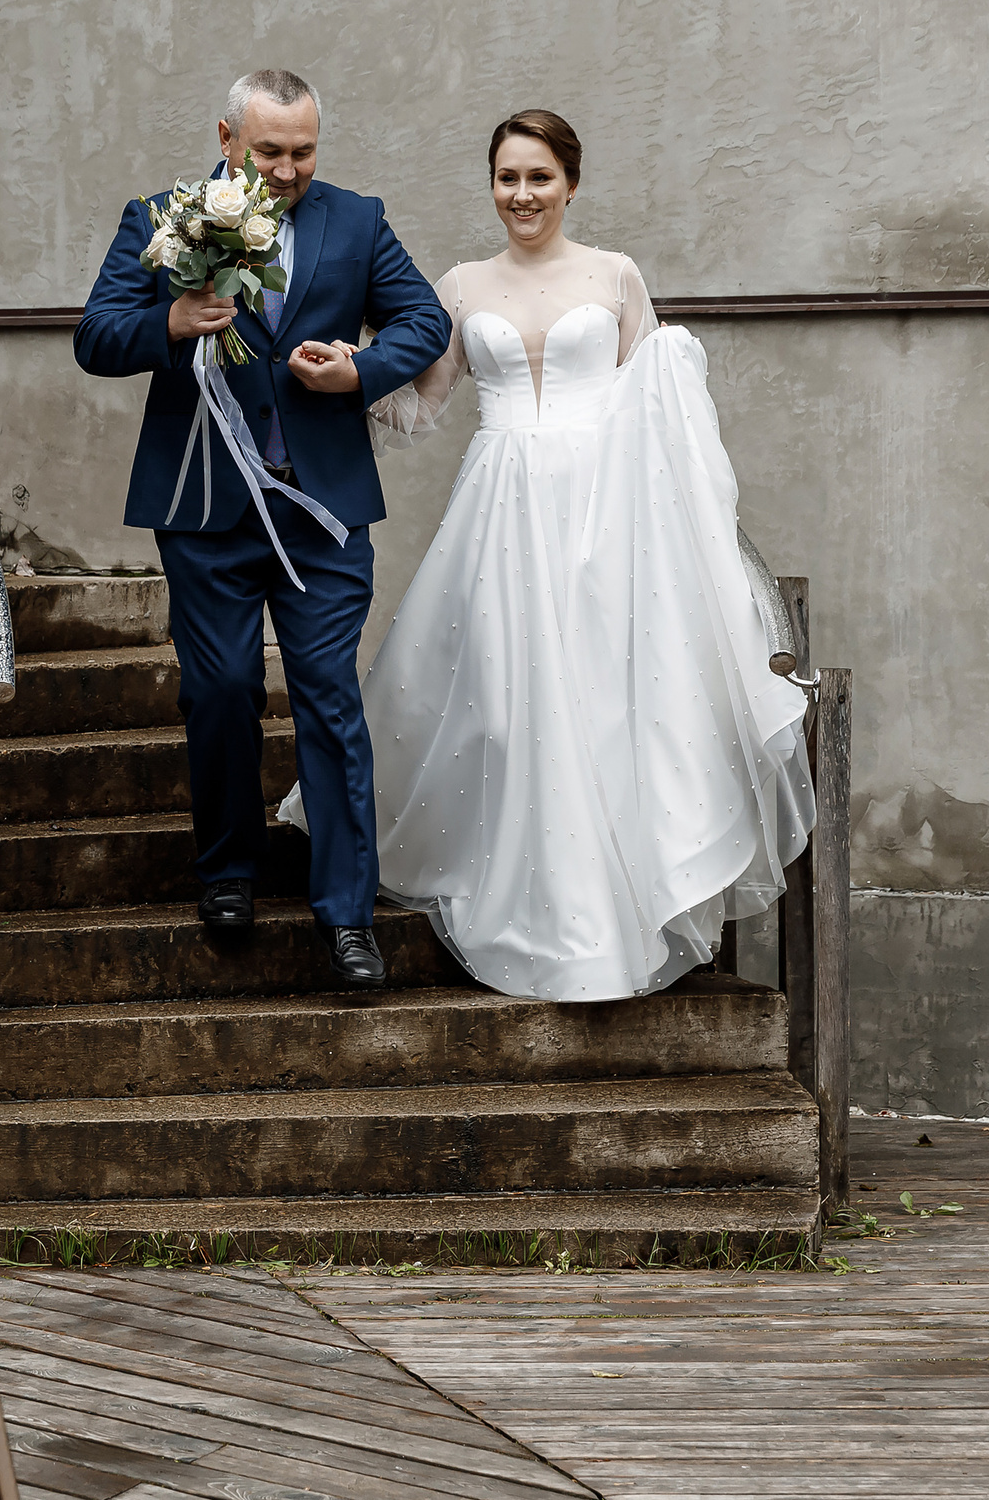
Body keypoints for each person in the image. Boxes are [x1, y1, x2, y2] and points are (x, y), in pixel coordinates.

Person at [283, 110, 815, 1000]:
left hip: (601, 515)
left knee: (603, 696)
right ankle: (526, 892)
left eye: (537, 177)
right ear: (490, 185)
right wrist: (350, 374)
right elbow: (421, 404)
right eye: (506, 178)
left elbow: (659, 408)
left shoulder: (615, 276)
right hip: (498, 507)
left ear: (570, 182)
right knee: (505, 695)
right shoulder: (459, 284)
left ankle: (612, 907)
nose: (520, 195)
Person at [76, 67, 453, 988]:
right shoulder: (161, 216)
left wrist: (358, 370)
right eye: (270, 150)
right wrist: (170, 317)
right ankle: (229, 875)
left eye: (304, 150)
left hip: (318, 508)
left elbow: (426, 321)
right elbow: (96, 334)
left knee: (330, 696)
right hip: (205, 507)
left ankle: (346, 913)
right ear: (226, 138)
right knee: (221, 689)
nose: (288, 169)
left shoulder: (357, 221)